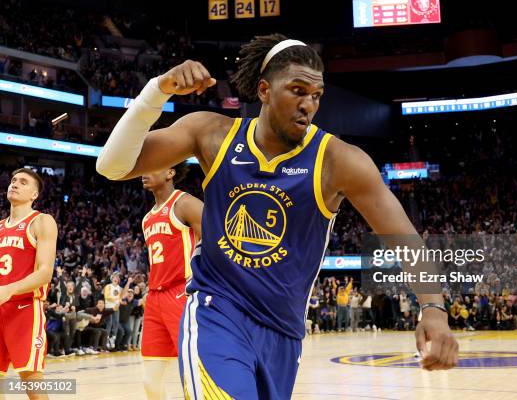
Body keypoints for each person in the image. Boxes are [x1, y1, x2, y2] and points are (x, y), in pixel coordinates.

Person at [96, 33, 458, 399]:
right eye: (297, 90)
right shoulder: (212, 134)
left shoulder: (338, 160)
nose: (308, 104)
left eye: (316, 96)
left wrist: (434, 310)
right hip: (216, 310)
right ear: (265, 90)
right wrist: (158, 90)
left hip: (283, 333)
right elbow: (112, 166)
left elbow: (404, 238)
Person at [140, 164, 202, 400]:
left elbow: (215, 237)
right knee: (150, 381)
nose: (144, 172)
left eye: (152, 165)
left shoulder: (184, 203)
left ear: (170, 172)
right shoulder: (147, 218)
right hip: (155, 297)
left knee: (193, 371)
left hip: (181, 293)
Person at [0, 168, 58, 400]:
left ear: (34, 194)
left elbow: (44, 272)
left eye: (23, 182)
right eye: (13, 180)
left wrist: (9, 289)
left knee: (32, 385)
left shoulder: (42, 221)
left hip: (25, 310)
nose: (15, 184)